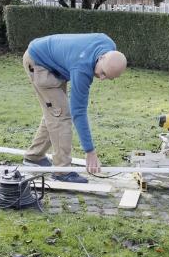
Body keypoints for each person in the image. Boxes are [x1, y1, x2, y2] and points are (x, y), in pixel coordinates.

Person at [23, 33, 127, 183]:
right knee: (61, 115)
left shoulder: (108, 44)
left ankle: (34, 157)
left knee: (54, 112)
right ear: (102, 57)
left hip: (54, 63)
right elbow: (78, 112)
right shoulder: (82, 69)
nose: (102, 78)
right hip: (39, 63)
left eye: (108, 77)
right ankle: (61, 171)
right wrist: (90, 151)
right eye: (103, 73)